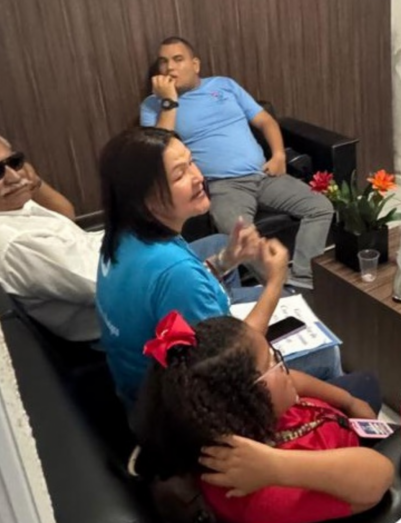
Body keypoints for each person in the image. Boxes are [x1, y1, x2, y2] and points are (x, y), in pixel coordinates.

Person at [95, 126, 341, 406]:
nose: (198, 176)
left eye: (191, 162)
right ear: (148, 201)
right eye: (180, 174)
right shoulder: (176, 273)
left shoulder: (123, 235)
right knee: (327, 353)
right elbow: (235, 355)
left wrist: (226, 260)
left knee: (222, 245)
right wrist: (275, 280)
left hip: (140, 384)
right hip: (182, 405)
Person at [136, 311, 393, 523]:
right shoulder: (255, 491)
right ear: (244, 399)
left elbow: (294, 380)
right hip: (350, 465)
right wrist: (277, 466)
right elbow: (380, 473)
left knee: (366, 383)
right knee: (373, 388)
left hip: (329, 420)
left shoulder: (246, 417)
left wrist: (348, 401)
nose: (283, 365)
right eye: (272, 361)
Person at [140, 36, 333, 289]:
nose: (170, 67)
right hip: (224, 187)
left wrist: (278, 155)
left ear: (195, 64)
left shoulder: (225, 85)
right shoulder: (153, 105)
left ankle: (303, 277)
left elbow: (265, 121)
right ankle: (280, 287)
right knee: (241, 235)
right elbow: (158, 152)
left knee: (321, 206)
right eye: (163, 62)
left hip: (263, 175)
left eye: (178, 59)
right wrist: (168, 101)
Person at [0, 123, 102, 341]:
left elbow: (66, 220)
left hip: (107, 261)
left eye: (14, 162)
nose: (14, 177)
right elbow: (114, 286)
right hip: (127, 322)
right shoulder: (16, 243)